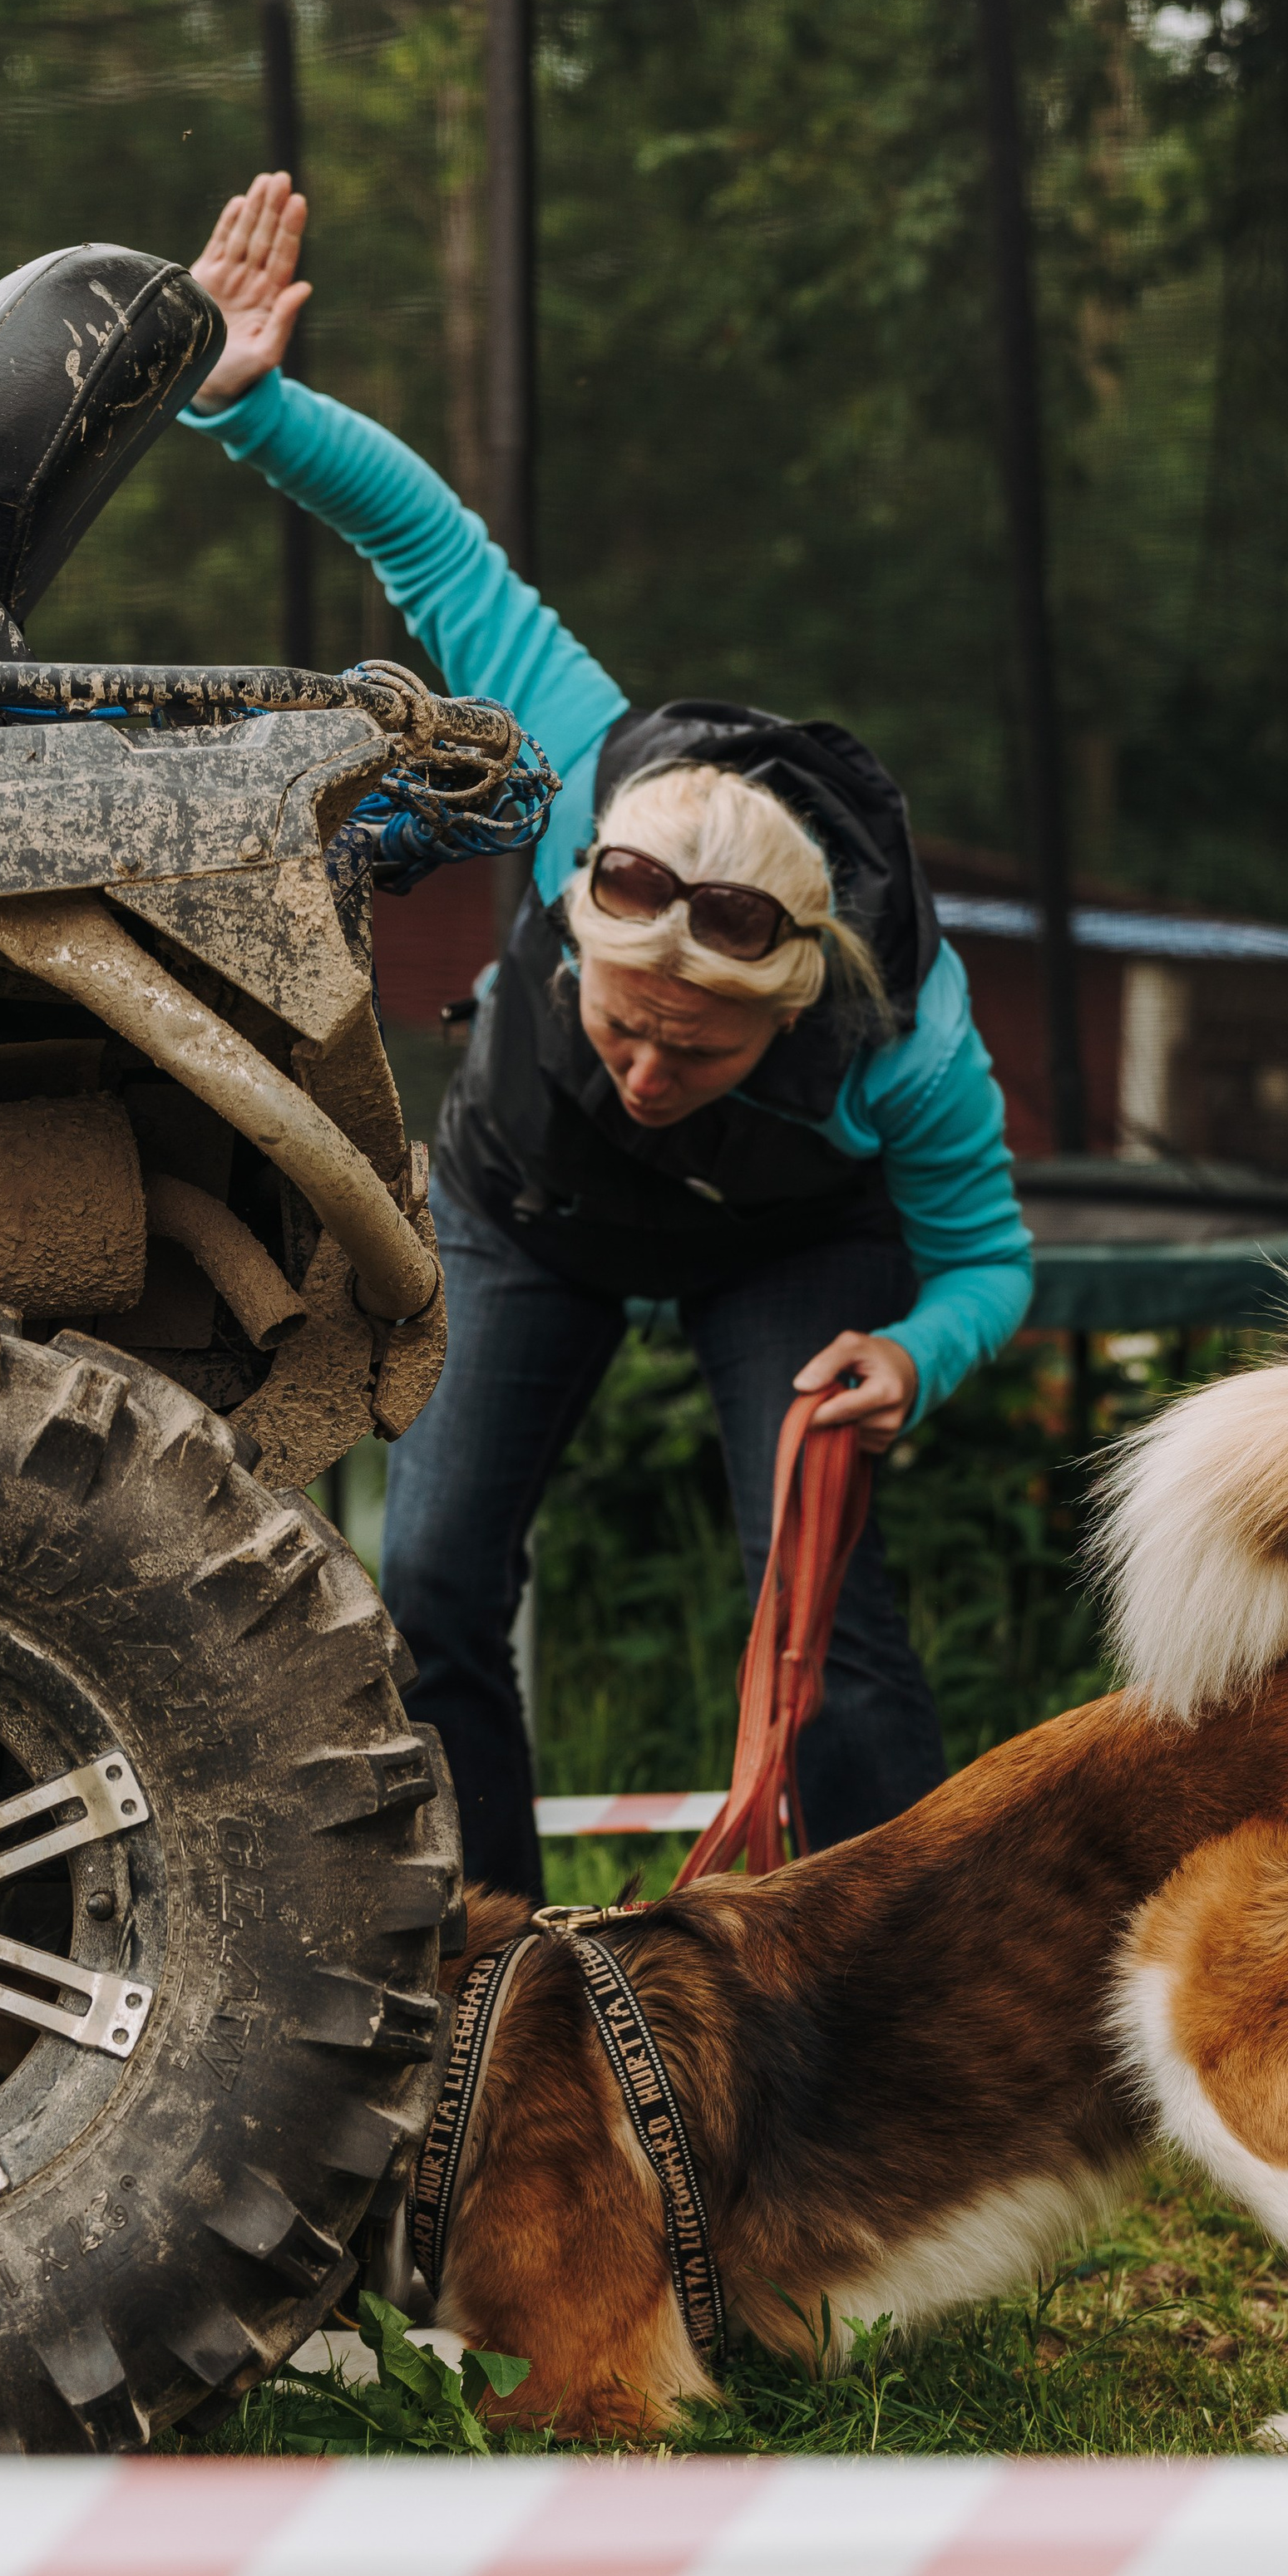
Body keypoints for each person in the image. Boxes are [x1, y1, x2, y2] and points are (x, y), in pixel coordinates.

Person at [185, 172, 1034, 1899]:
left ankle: (915, 1988)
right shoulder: (578, 769)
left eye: (696, 1056)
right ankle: (500, 1965)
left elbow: (990, 1268)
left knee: (817, 1605)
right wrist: (248, 399)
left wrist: (915, 1356)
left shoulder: (908, 1047)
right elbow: (431, 546)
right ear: (576, 910)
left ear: (791, 1009)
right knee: (425, 1582)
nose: (647, 1075)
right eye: (620, 1022)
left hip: (781, 1251)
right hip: (527, 1208)